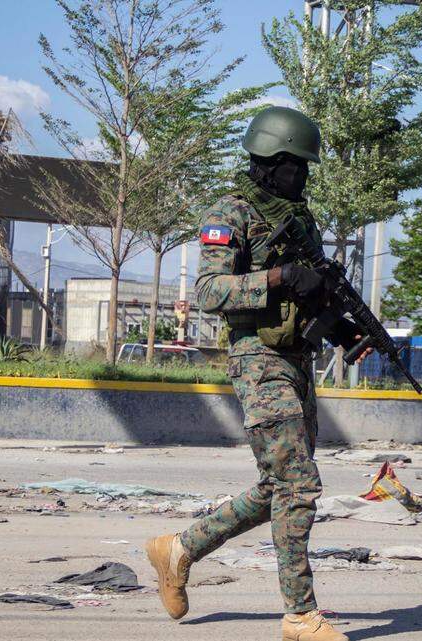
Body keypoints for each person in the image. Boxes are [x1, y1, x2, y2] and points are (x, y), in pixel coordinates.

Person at [146, 106, 366, 641]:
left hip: (297, 360)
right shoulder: (231, 213)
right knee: (299, 486)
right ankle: (300, 615)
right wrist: (278, 276)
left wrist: (338, 327)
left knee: (280, 488)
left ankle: (178, 548)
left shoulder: (301, 217)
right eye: (297, 166)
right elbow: (209, 292)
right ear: (270, 161)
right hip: (258, 362)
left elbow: (312, 289)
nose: (304, 176)